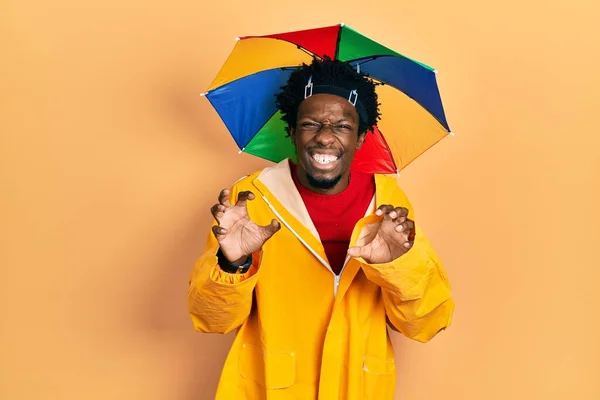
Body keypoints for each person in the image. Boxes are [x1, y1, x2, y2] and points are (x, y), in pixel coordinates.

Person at [187, 56, 454, 399]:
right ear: (291, 131)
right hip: (268, 388)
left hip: (357, 388)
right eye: (311, 124)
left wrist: (398, 265)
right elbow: (212, 320)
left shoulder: (388, 206)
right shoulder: (250, 198)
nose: (325, 138)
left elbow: (426, 323)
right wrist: (233, 264)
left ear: (360, 138)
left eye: (342, 126)